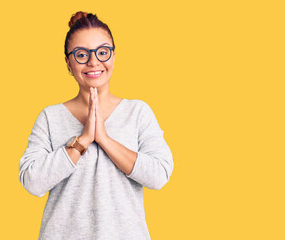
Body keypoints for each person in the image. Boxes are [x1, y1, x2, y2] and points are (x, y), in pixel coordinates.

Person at [19, 11, 174, 240]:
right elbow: (32, 181)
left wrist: (104, 139)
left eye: (102, 52)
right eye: (81, 54)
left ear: (113, 56)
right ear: (68, 63)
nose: (94, 61)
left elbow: (159, 175)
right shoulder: (50, 117)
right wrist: (82, 140)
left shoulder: (138, 112)